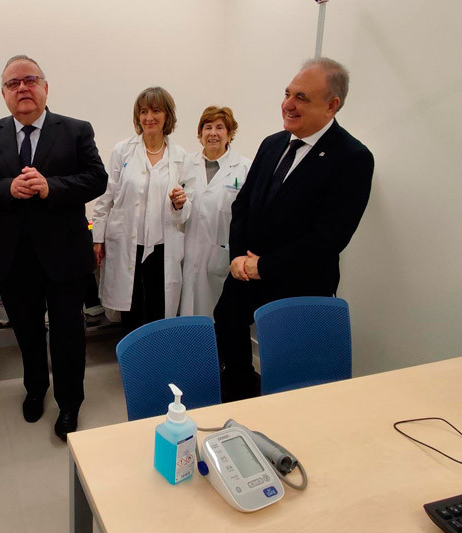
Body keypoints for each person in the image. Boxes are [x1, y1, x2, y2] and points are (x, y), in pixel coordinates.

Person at [0, 55, 107, 441]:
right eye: (13, 83)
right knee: (27, 333)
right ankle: (35, 388)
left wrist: (51, 187)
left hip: (65, 257)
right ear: (4, 94)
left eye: (30, 80)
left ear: (45, 87)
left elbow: (97, 179)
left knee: (67, 335)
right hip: (13, 258)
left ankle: (70, 402)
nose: (22, 88)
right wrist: (7, 188)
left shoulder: (76, 130)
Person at [214, 57, 374, 401]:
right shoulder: (272, 144)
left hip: (299, 283)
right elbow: (243, 205)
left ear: (332, 105)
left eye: (302, 97)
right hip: (245, 274)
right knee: (227, 332)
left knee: (293, 378)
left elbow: (329, 238)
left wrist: (263, 266)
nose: (288, 104)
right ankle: (240, 397)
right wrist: (239, 257)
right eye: (288, 93)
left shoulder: (352, 158)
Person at [91, 87, 187, 332]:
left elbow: (186, 207)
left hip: (162, 244)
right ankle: (132, 355)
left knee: (158, 306)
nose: (149, 117)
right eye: (143, 112)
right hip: (127, 242)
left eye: (156, 111)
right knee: (131, 308)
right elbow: (106, 196)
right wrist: (98, 238)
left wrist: (179, 204)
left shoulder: (180, 157)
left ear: (167, 116)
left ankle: (156, 354)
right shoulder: (123, 150)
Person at [175, 106, 251, 318]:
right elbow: (178, 212)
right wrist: (177, 205)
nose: (213, 133)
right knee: (188, 318)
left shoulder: (244, 168)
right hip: (188, 255)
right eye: (207, 127)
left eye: (220, 127)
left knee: (222, 320)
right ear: (200, 134)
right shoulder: (185, 165)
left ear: (230, 133)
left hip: (223, 257)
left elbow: (248, 218)